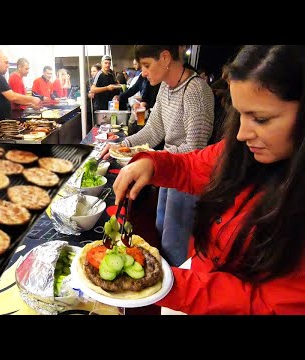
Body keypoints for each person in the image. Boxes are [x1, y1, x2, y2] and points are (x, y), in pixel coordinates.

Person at [113, 45, 305, 314]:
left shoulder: (195, 90)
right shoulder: (242, 150)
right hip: (201, 277)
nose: (241, 134)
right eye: (240, 115)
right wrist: (151, 163)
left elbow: (267, 304)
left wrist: (167, 285)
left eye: (260, 119)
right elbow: (194, 164)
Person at [102, 45, 214, 267]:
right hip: (167, 168)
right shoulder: (165, 87)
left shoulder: (195, 91)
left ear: (164, 58)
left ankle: (175, 295)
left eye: (146, 65)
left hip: (187, 176)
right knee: (161, 230)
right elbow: (153, 131)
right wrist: (121, 145)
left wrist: (156, 159)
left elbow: (195, 149)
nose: (143, 72)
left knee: (176, 245)